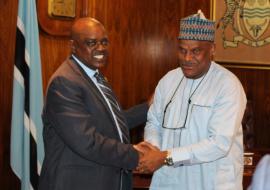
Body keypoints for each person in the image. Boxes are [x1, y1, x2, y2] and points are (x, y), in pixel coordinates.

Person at [138, 10, 247, 190]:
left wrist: (165, 156)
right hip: (168, 181)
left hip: (210, 182)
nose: (187, 58)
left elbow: (219, 143)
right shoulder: (168, 81)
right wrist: (153, 149)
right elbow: (153, 122)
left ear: (212, 49)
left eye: (196, 51)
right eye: (182, 50)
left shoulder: (227, 85)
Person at [38, 17, 151, 190]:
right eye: (91, 43)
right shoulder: (65, 82)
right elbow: (87, 142)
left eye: (104, 42)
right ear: (73, 46)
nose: (101, 49)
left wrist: (148, 108)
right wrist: (136, 154)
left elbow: (111, 123)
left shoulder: (95, 77)